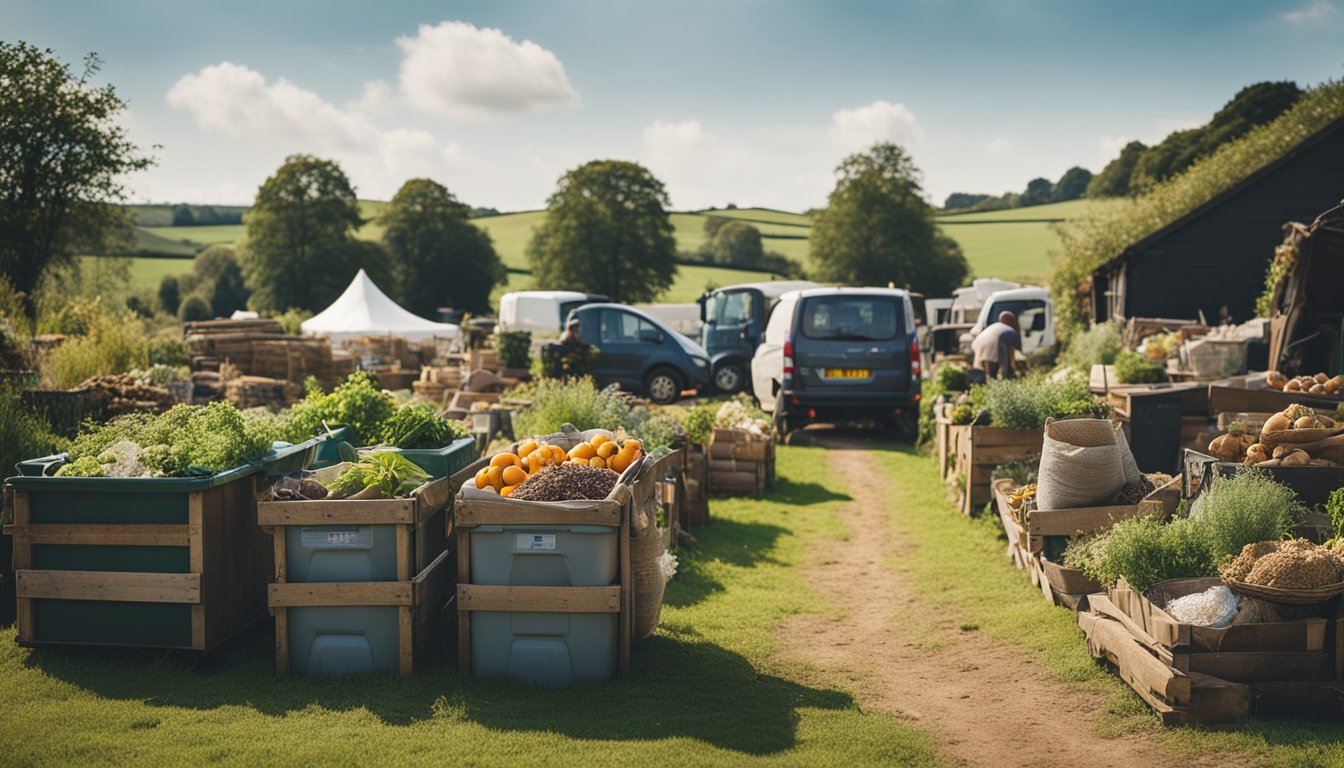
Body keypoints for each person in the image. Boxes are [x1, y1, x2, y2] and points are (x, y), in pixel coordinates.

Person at [971, 310, 1022, 379]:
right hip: (992, 346)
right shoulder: (1010, 330)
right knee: (993, 372)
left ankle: (985, 383)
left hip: (978, 343)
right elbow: (1011, 351)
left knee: (984, 371)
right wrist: (1013, 366)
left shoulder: (994, 326)